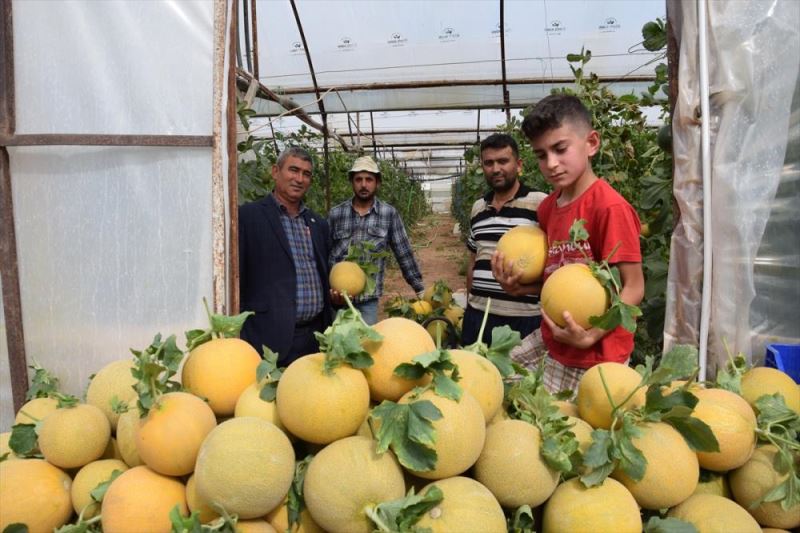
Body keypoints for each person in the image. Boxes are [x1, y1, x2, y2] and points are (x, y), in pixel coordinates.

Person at [495, 94, 644, 394]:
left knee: (557, 418)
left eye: (560, 149)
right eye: (541, 155)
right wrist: (520, 288)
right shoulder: (548, 208)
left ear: (591, 143)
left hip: (595, 353)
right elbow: (559, 277)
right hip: (553, 338)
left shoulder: (609, 208)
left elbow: (634, 287)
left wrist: (593, 335)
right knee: (495, 378)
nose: (551, 164)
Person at [238, 146, 333, 366]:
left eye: (306, 174)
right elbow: (237, 277)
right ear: (275, 171)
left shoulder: (317, 223)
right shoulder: (248, 217)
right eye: (293, 170)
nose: (299, 179)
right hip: (268, 337)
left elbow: (323, 274)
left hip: (314, 337)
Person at [461, 133, 548, 346]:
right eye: (489, 163)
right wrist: (470, 303)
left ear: (518, 165)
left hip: (524, 319)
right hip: (478, 316)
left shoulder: (541, 204)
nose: (496, 169)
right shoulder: (478, 208)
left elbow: (557, 266)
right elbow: (473, 260)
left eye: (503, 161)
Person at [328, 155, 424, 324]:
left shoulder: (388, 214)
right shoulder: (336, 214)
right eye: (358, 179)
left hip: (368, 301)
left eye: (369, 179)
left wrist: (419, 289)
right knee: (338, 340)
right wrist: (328, 291)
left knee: (367, 340)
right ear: (352, 182)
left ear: (377, 183)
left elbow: (403, 252)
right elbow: (323, 254)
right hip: (339, 300)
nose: (363, 184)